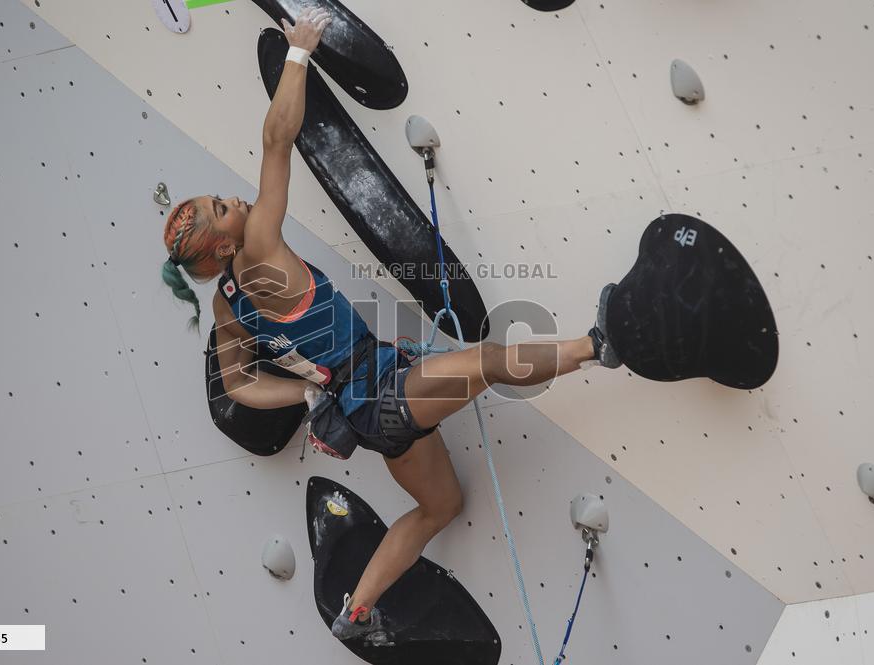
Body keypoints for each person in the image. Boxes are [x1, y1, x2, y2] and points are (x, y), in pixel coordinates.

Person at [161, 6, 620, 644]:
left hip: (365, 406)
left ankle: (356, 612)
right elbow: (277, 141)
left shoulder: (227, 303)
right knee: (489, 361)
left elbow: (238, 386)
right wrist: (297, 54)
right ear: (217, 249)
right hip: (382, 394)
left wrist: (306, 391)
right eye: (221, 207)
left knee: (440, 507)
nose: (234, 200)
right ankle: (600, 345)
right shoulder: (259, 246)